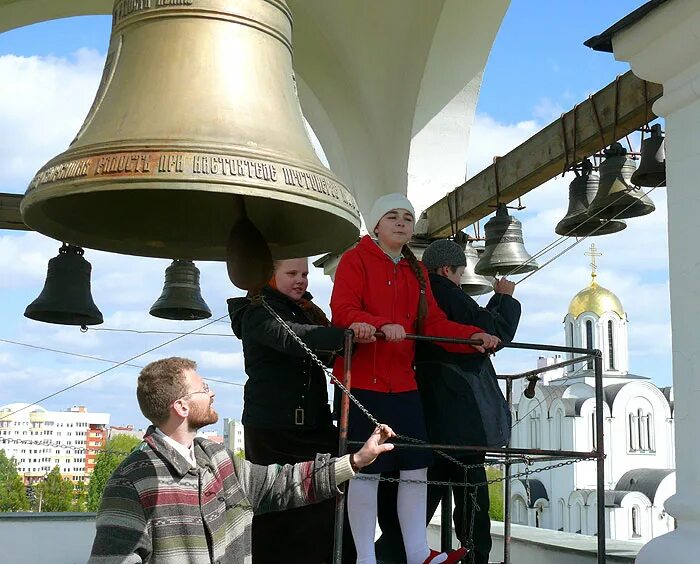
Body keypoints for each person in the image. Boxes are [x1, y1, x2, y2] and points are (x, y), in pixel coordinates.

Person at [88, 357, 395, 564]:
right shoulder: (133, 482)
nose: (212, 394)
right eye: (204, 389)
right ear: (181, 406)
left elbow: (283, 483)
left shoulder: (216, 458)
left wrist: (355, 460)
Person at [330, 193, 501, 564]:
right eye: (392, 216)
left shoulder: (416, 270)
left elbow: (431, 323)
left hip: (403, 383)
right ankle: (364, 558)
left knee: (416, 465)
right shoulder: (355, 260)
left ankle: (418, 553)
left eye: (407, 217)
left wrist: (470, 337)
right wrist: (378, 325)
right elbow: (343, 311)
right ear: (376, 225)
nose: (401, 222)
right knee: (366, 471)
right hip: (363, 382)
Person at [228, 257, 371, 563]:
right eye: (291, 273)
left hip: (311, 427)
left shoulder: (306, 311)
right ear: (269, 275)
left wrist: (356, 332)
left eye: (304, 273)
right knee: (279, 508)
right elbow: (294, 338)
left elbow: (327, 348)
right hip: (274, 431)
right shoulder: (257, 312)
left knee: (325, 507)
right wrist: (347, 334)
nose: (301, 280)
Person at [417, 239, 521, 564]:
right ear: (448, 269)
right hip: (459, 414)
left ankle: (399, 552)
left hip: (428, 414)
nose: (461, 280)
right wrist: (503, 297)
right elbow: (495, 331)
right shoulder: (445, 291)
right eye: (461, 273)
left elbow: (473, 324)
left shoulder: (420, 293)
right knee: (472, 497)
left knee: (423, 496)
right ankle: (476, 559)